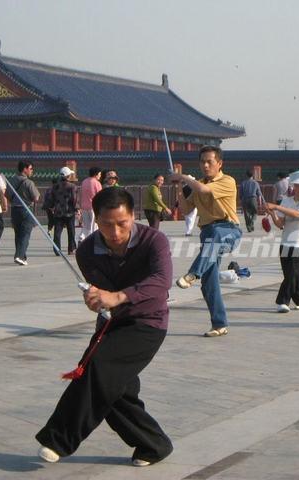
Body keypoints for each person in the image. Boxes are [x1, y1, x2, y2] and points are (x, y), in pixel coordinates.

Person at [35, 187, 173, 467]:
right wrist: (96, 299)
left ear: (133, 216)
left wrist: (119, 296)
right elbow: (101, 292)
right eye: (107, 224)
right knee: (114, 389)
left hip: (148, 322)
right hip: (112, 323)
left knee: (96, 371)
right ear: (95, 220)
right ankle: (153, 445)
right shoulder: (87, 251)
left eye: (122, 223)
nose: (116, 231)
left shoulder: (154, 241)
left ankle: (58, 438)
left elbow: (161, 280)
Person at [174, 146, 242, 337]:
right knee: (209, 283)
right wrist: (179, 186)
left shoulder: (227, 181)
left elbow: (204, 189)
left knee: (216, 235)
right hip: (208, 233)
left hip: (228, 230)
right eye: (202, 161)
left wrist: (185, 178)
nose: (205, 165)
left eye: (209, 161)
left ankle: (193, 274)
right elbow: (187, 210)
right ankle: (219, 324)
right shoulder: (198, 185)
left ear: (219, 164)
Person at [264, 170, 299, 312]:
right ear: (293, 186)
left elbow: (298, 214)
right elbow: (280, 224)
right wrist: (273, 214)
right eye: (298, 185)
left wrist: (276, 206)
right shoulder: (286, 201)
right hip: (286, 243)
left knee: (294, 275)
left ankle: (282, 302)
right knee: (291, 276)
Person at [7, 161, 40, 266]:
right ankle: (19, 256)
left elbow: (6, 194)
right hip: (26, 210)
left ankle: (22, 256)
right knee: (25, 234)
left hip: (15, 210)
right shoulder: (29, 183)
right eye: (30, 169)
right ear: (25, 169)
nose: (31, 171)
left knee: (18, 234)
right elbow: (36, 197)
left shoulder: (11, 181)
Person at [51, 166, 78, 255]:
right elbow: (74, 199)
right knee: (71, 231)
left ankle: (57, 249)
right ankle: (71, 248)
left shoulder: (55, 186)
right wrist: (76, 208)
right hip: (69, 212)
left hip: (58, 212)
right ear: (68, 176)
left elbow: (52, 198)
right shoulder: (72, 186)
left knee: (57, 232)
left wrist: (51, 207)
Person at [78, 167, 102, 242]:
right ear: (96, 174)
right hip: (93, 207)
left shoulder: (84, 181)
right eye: (99, 174)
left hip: (84, 207)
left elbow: (81, 194)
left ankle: (82, 237)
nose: (100, 176)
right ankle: (91, 241)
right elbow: (100, 196)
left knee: (86, 225)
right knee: (93, 225)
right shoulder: (96, 183)